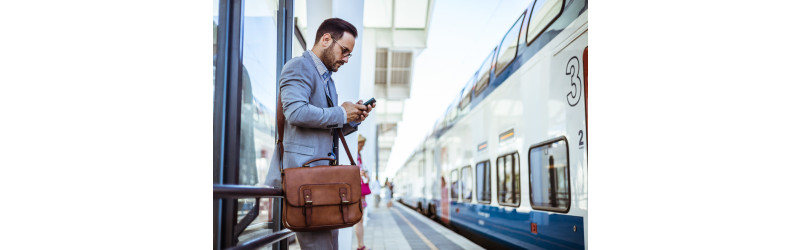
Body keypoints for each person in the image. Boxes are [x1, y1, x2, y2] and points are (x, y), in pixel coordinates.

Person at [264, 18, 376, 250]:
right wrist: (341, 113)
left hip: (323, 180)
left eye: (349, 54)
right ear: (326, 39)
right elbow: (296, 112)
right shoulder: (298, 67)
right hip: (306, 181)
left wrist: (352, 118)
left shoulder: (327, 80)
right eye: (344, 51)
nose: (346, 59)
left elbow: (324, 126)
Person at [355, 134, 370, 250]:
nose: (362, 148)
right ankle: (360, 245)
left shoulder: (358, 155)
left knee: (361, 219)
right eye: (361, 145)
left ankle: (361, 244)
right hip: (357, 190)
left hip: (361, 191)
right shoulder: (353, 155)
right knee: (359, 219)